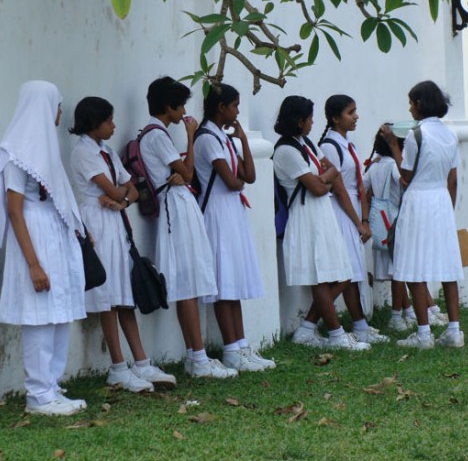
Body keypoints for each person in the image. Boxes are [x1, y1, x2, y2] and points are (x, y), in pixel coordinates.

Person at [69, 96, 177, 392]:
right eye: (108, 121)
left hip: (116, 223)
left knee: (125, 293)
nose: (114, 126)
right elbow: (113, 190)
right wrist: (120, 196)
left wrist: (123, 199)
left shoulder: (105, 151)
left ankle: (141, 362)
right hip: (98, 224)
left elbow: (131, 187)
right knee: (108, 298)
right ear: (93, 124)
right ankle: (117, 366)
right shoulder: (83, 153)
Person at [0, 80, 87, 416]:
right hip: (33, 235)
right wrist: (32, 263)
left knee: (58, 312)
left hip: (54, 235)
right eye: (58, 105)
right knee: (39, 316)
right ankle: (38, 395)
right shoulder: (16, 151)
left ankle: (51, 386)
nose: (60, 113)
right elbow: (14, 209)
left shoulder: (46, 149)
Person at [138, 77, 236, 378]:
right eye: (180, 106)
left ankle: (197, 355)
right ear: (168, 106)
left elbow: (183, 174)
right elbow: (190, 173)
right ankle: (198, 358)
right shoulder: (157, 135)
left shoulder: (156, 135)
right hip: (176, 210)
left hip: (179, 206)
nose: (184, 113)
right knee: (188, 283)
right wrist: (191, 137)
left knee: (190, 283)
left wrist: (180, 170)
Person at [272, 95, 366, 351]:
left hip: (322, 215)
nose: (314, 123)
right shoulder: (285, 150)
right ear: (299, 121)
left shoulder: (306, 143)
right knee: (321, 279)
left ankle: (307, 327)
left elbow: (329, 173)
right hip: (307, 217)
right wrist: (326, 177)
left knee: (343, 273)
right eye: (310, 118)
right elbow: (317, 186)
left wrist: (326, 177)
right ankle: (337, 334)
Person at [193, 84, 275, 372]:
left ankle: (241, 345)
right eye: (235, 106)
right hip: (216, 212)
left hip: (231, 212)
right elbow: (231, 181)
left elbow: (249, 176)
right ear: (221, 107)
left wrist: (242, 140)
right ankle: (230, 348)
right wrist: (238, 181)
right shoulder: (206, 139)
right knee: (223, 280)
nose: (238, 111)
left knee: (234, 282)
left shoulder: (223, 138)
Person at [381, 81, 464, 349]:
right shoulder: (451, 135)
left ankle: (424, 334)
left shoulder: (417, 135)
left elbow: (405, 176)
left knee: (415, 266)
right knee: (448, 265)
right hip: (441, 200)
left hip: (418, 199)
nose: (409, 108)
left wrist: (394, 145)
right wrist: (448, 209)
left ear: (419, 104)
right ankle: (454, 330)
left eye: (411, 103)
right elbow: (453, 179)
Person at [318, 95, 389, 345]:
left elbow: (360, 183)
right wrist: (357, 221)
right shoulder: (330, 146)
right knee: (347, 270)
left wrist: (365, 219)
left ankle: (360, 324)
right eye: (350, 112)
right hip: (340, 211)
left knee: (355, 270)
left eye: (356, 111)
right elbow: (338, 188)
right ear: (336, 118)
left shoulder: (349, 145)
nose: (356, 116)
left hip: (354, 209)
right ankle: (320, 321)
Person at [364, 130, 448, 332]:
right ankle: (398, 315)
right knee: (401, 271)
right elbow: (405, 180)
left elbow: (363, 186)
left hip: (379, 224)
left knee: (398, 271)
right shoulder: (393, 165)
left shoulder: (373, 166)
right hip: (395, 221)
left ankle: (417, 310)